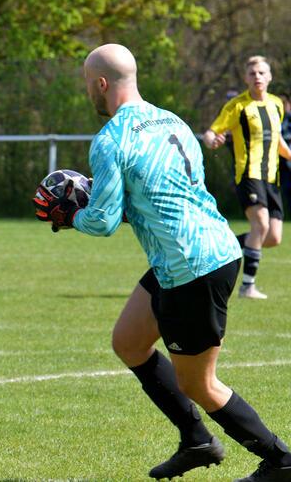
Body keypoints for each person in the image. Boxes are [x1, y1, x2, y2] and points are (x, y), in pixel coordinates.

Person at [34, 43, 291, 482]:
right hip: (206, 249)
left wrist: (71, 213)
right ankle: (196, 441)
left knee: (199, 384)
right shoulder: (171, 119)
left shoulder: (111, 138)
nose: (88, 94)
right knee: (129, 342)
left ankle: (281, 460)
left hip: (192, 266)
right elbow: (170, 194)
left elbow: (101, 221)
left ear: (100, 84)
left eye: (87, 85)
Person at [202, 56, 290, 300]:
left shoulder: (276, 105)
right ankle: (247, 287)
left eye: (262, 72)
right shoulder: (237, 106)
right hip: (248, 174)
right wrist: (213, 141)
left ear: (270, 76)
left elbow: (277, 140)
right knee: (260, 225)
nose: (257, 77)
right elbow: (211, 133)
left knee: (272, 237)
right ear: (245, 78)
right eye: (252, 73)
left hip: (272, 178)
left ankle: (220, 247)